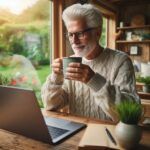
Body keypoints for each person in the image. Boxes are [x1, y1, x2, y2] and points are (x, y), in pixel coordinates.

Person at [41, 3, 140, 122]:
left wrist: (94, 80)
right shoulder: (69, 63)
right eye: (70, 35)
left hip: (110, 134)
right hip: (76, 133)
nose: (74, 41)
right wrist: (55, 79)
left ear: (97, 33)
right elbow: (50, 106)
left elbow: (130, 113)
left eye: (80, 34)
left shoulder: (121, 61)